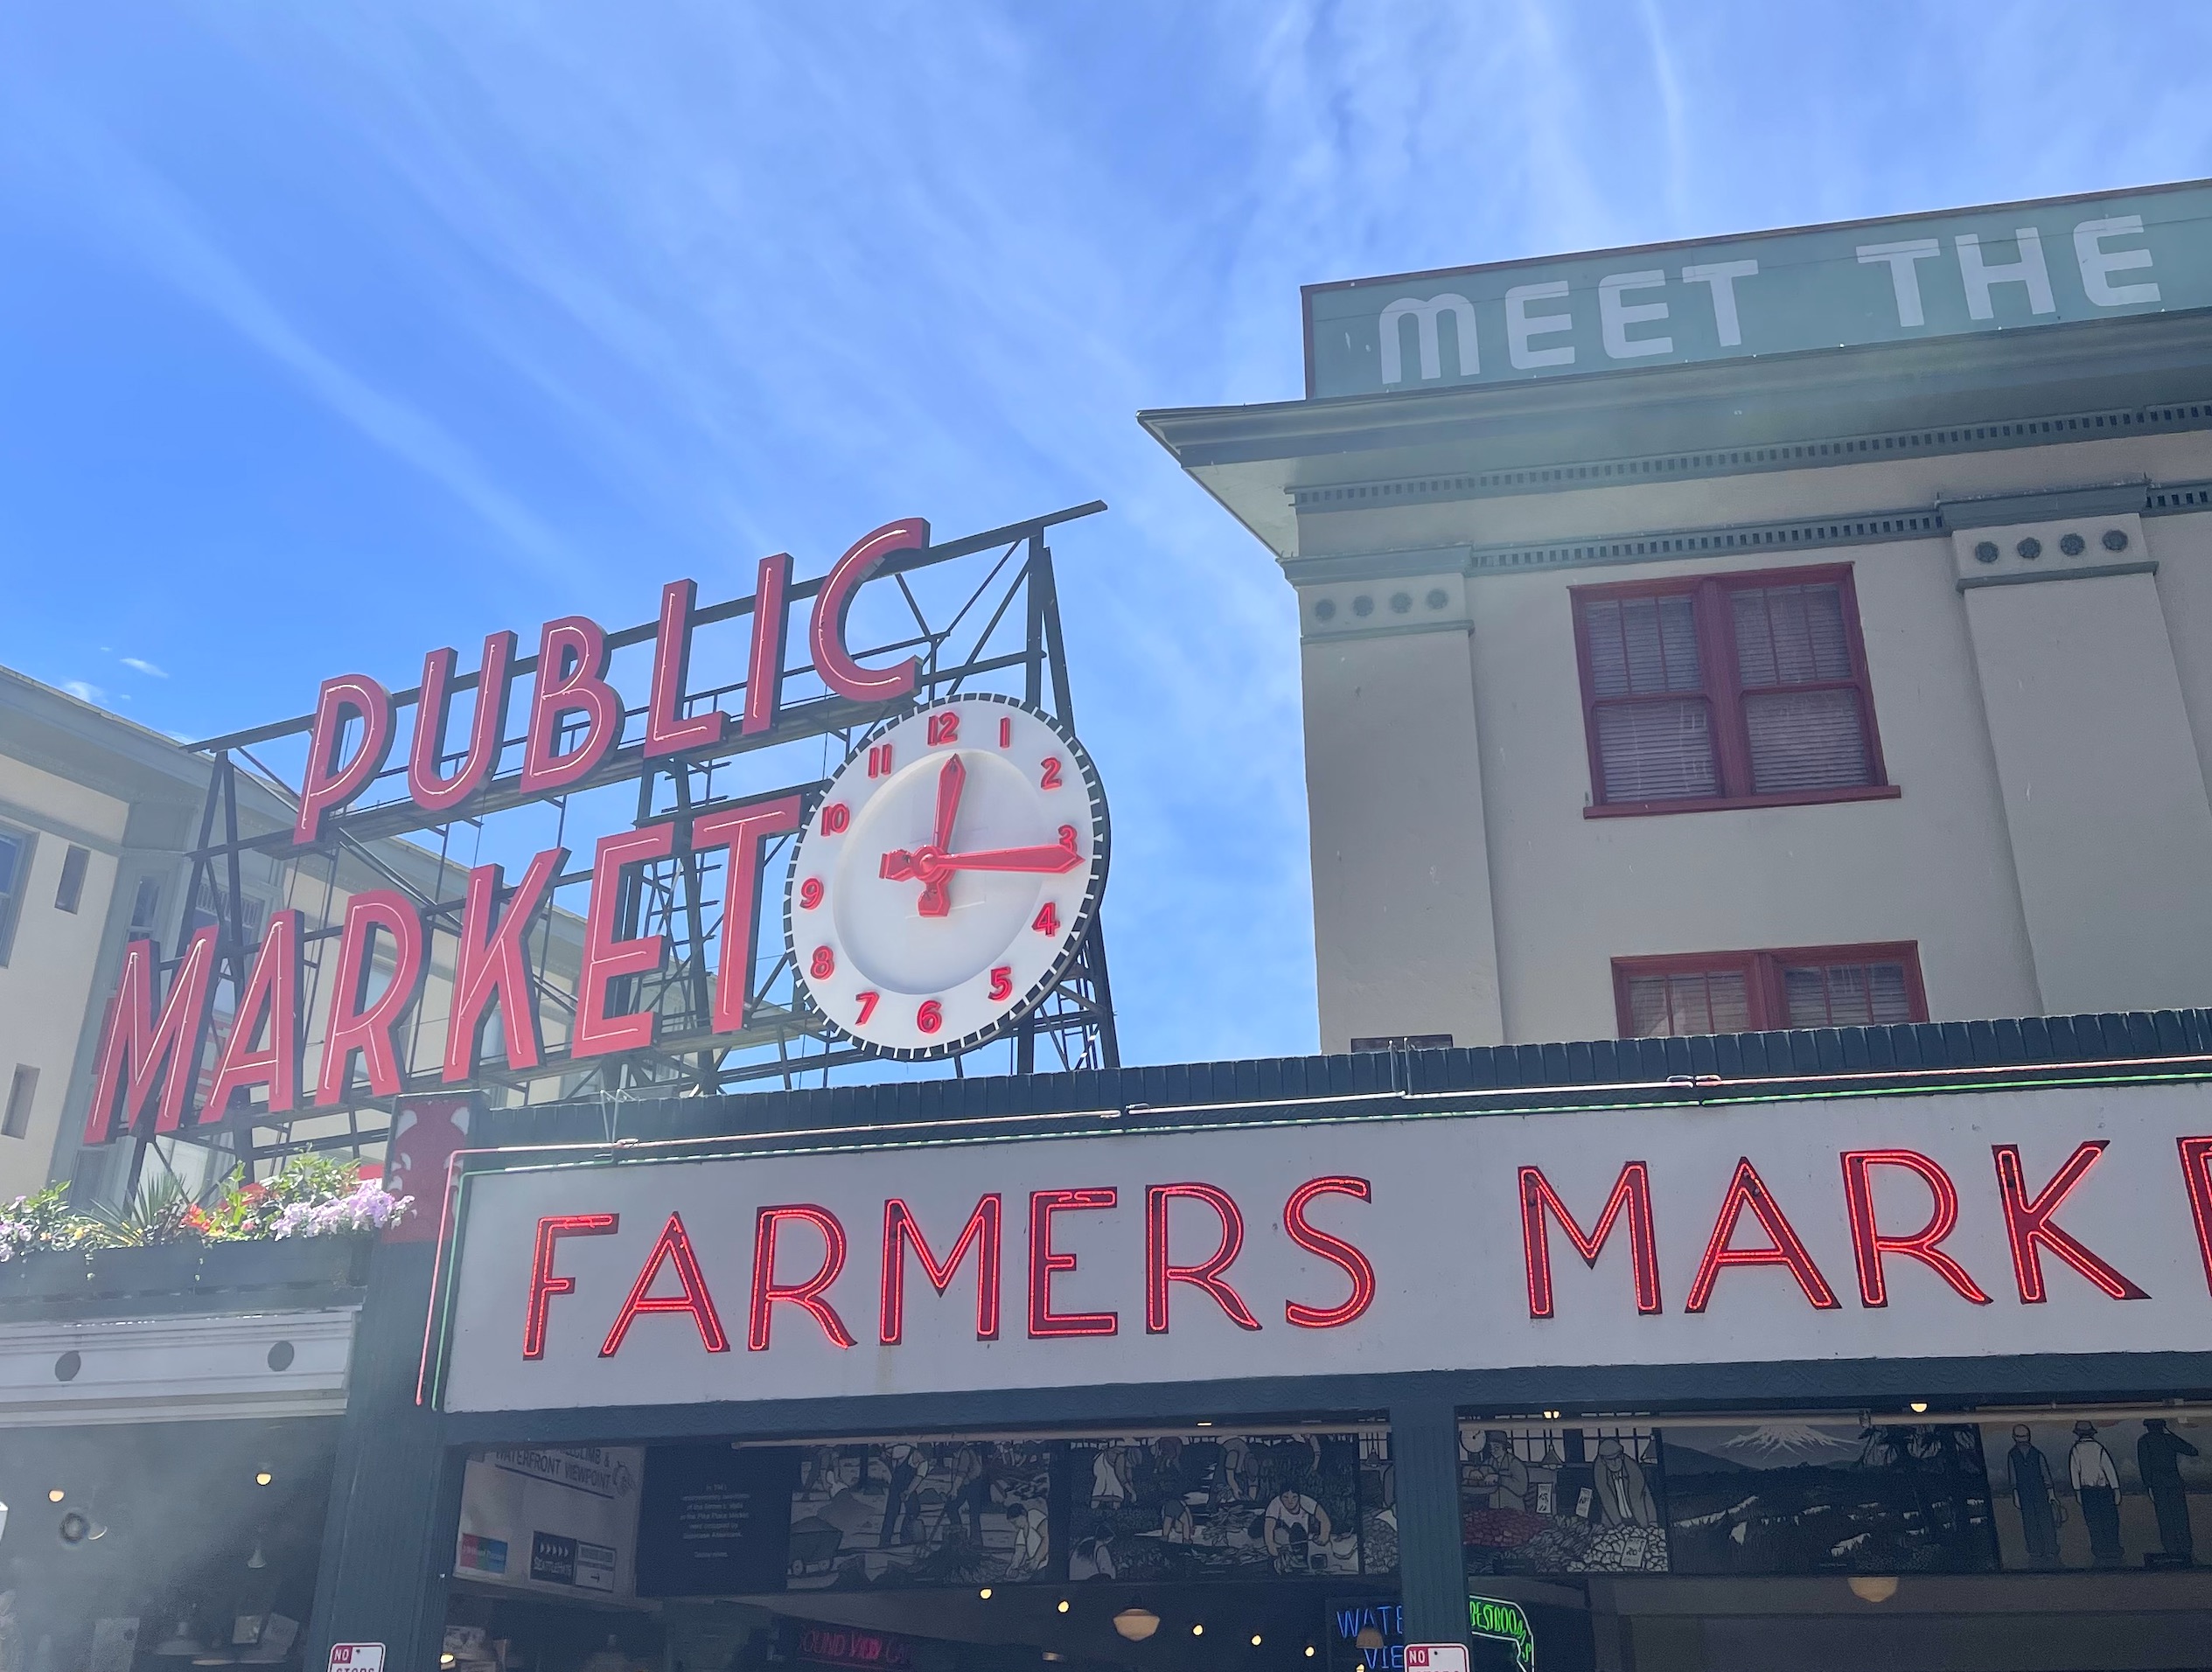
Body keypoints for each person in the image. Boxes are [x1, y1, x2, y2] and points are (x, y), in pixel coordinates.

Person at [2138, 1420, 2201, 1564]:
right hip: (2174, 1482)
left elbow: (2144, 1465)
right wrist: (2174, 1436)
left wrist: (2149, 1486)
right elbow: (2192, 1450)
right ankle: (2185, 1549)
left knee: (2164, 1518)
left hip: (2157, 1485)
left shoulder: (2144, 1441)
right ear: (2162, 1427)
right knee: (2181, 1516)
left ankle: (2172, 1550)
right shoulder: (2169, 1439)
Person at [2069, 1422, 2125, 1566]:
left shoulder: (2076, 1449)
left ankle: (2100, 1550)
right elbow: (2109, 1469)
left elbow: (2074, 1473)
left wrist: (2078, 1492)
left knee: (2094, 1522)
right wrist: (2116, 1489)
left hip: (2087, 1491)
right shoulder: (2098, 1447)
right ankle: (2113, 1548)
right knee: (2110, 1520)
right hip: (2103, 1490)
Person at [2005, 1426, 2062, 1563]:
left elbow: (2014, 1479)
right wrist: (2051, 1494)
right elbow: (2045, 1476)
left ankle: (2042, 1550)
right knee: (2039, 1521)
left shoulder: (2018, 1454)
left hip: (2034, 1493)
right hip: (2033, 1493)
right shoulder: (2034, 1454)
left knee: (2038, 1521)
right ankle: (2044, 1549)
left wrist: (2016, 1495)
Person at [1593, 1437, 1657, 1527]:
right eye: (1610, 1460)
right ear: (1604, 1461)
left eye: (1617, 1458)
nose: (1615, 1463)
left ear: (1622, 1457)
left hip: (1638, 1518)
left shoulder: (1634, 1470)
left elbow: (1645, 1495)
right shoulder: (1600, 1474)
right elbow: (1606, 1500)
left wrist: (1653, 1521)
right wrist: (1618, 1525)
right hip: (1613, 1522)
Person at [1466, 1431, 1531, 1512]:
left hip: (1514, 1510)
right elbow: (1480, 1473)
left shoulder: (1514, 1463)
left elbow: (1522, 1489)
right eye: (1491, 1447)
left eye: (1496, 1447)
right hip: (1494, 1509)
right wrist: (1473, 1472)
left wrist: (1500, 1479)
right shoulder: (1489, 1462)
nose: (1493, 1451)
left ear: (1504, 1447)